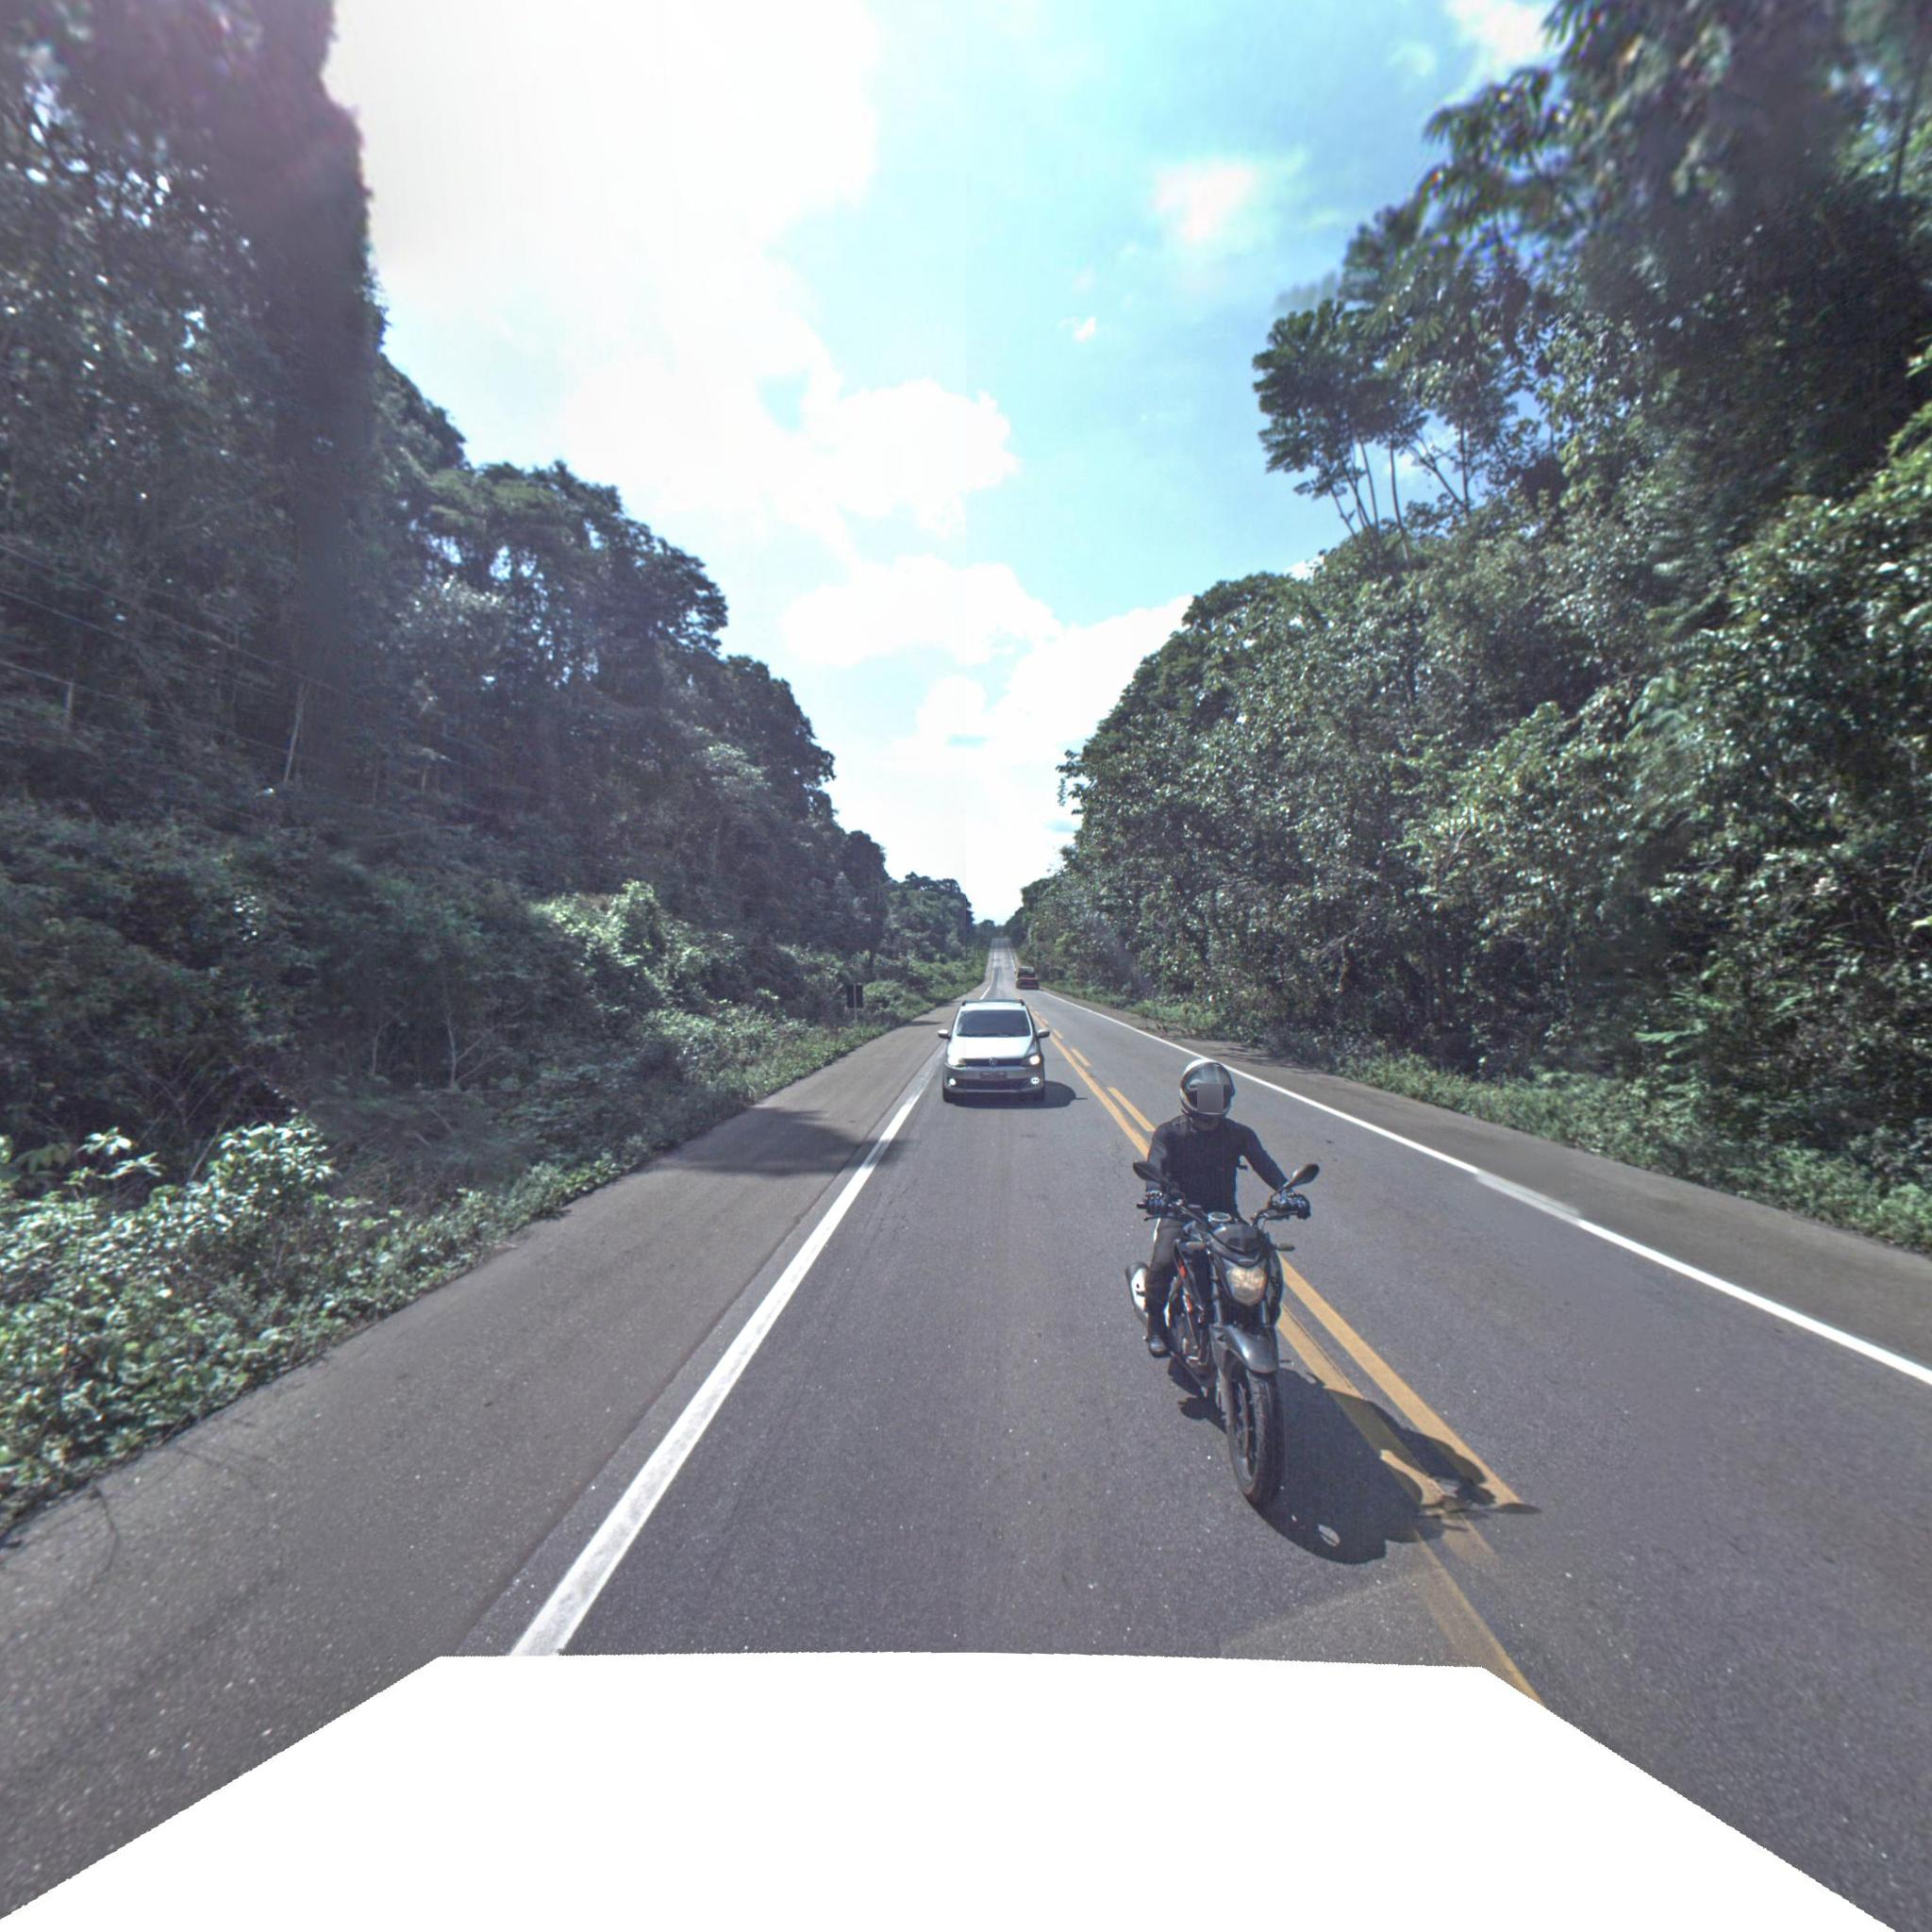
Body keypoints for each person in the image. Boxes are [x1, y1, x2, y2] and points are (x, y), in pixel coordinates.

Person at [1140, 1057, 1292, 1357]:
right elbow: (1154, 1169)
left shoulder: (1239, 1134)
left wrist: (1287, 1192)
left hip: (1224, 1215)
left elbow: (1266, 1166)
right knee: (1163, 1262)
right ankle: (1155, 1323)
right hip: (1180, 1212)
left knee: (1262, 1260)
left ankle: (1259, 1319)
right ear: (1188, 1096)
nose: (1211, 1104)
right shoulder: (1169, 1133)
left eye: (1217, 1097)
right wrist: (1155, 1194)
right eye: (1204, 1096)